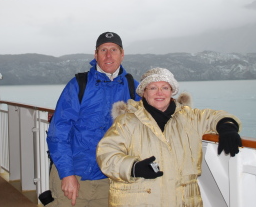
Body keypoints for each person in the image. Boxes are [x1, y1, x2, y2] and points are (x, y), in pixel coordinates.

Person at [96, 68, 242, 207]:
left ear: (171, 91)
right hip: (138, 200)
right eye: (153, 88)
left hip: (183, 201)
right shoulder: (126, 121)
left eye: (165, 88)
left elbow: (216, 117)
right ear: (144, 92)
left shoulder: (189, 117)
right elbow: (106, 154)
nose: (159, 93)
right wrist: (133, 168)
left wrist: (227, 128)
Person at [45, 32, 141, 207]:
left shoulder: (132, 87)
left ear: (122, 54)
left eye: (114, 49)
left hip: (110, 178)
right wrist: (67, 174)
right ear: (96, 55)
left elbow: (154, 119)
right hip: (74, 173)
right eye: (103, 50)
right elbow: (58, 132)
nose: (108, 55)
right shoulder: (78, 85)